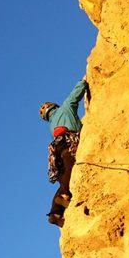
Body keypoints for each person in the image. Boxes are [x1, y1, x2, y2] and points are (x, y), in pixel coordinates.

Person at [39, 77, 89, 227]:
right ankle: (65, 194)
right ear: (55, 107)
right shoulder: (65, 108)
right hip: (69, 143)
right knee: (70, 170)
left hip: (57, 149)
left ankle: (55, 212)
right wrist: (84, 81)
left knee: (62, 175)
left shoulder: (51, 124)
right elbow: (76, 94)